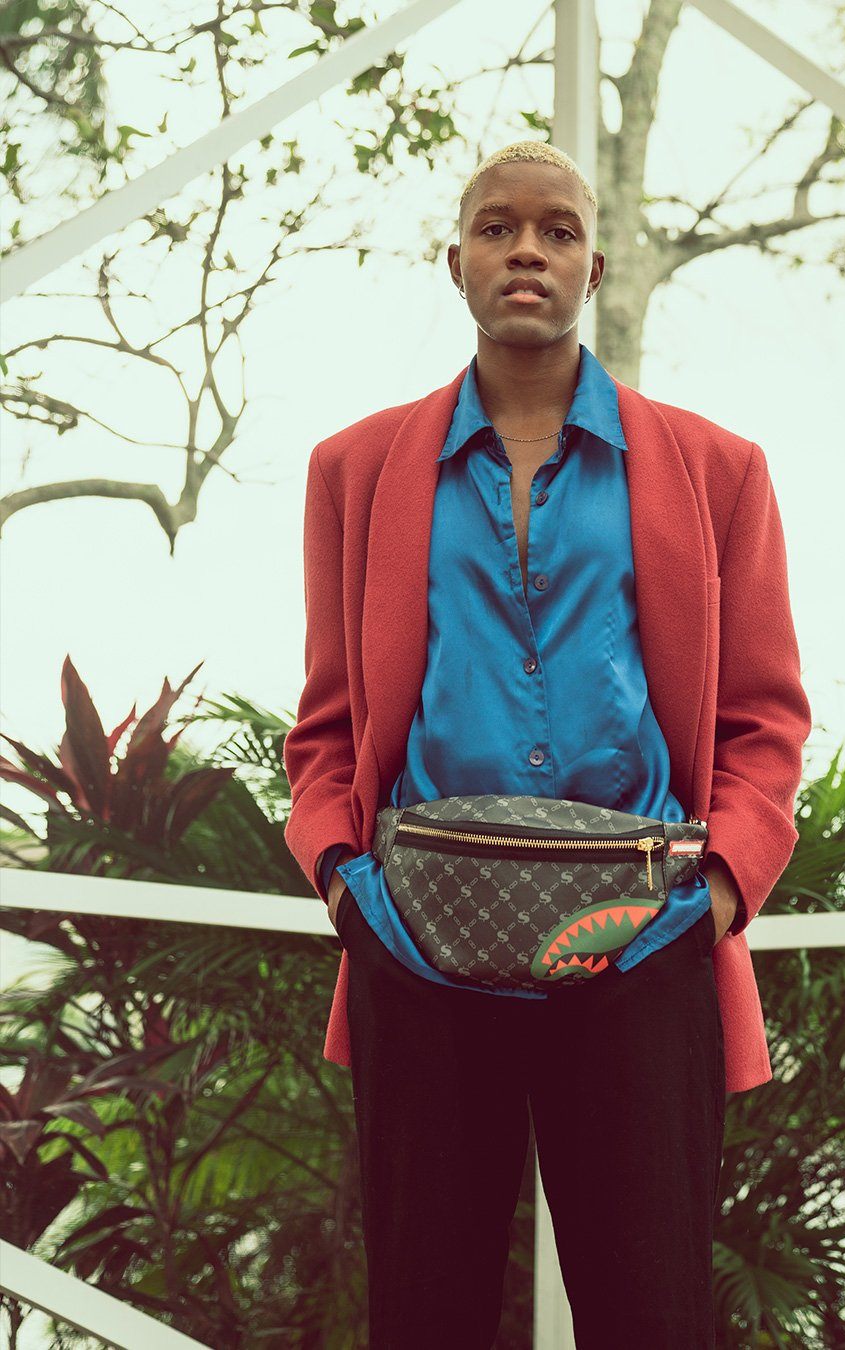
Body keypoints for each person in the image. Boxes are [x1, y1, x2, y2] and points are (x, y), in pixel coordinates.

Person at [283, 140, 812, 1349]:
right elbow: (325, 725)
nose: (528, 249)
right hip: (418, 945)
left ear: (594, 268)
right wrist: (348, 886)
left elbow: (766, 719)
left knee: (650, 1314)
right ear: (455, 261)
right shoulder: (354, 471)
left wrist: (713, 899)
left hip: (643, 948)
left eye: (558, 230)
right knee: (425, 1315)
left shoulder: (717, 472)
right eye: (498, 227)